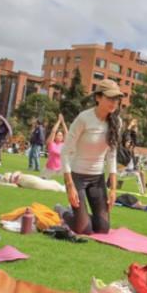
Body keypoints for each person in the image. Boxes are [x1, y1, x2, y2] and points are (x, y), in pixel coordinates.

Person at [60, 79, 122, 235]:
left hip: (97, 179)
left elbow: (112, 156)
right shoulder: (84, 118)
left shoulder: (117, 122)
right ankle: (62, 211)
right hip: (77, 176)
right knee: (84, 230)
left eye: (116, 99)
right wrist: (70, 186)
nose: (114, 102)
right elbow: (65, 152)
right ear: (98, 98)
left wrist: (113, 189)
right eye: (110, 98)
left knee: (102, 229)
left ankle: (83, 216)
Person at [42, 113, 67, 178]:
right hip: (49, 168)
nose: (60, 136)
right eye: (58, 135)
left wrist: (63, 122)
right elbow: (53, 131)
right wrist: (59, 121)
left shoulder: (64, 144)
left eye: (61, 135)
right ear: (55, 136)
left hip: (60, 169)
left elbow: (67, 133)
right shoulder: (51, 143)